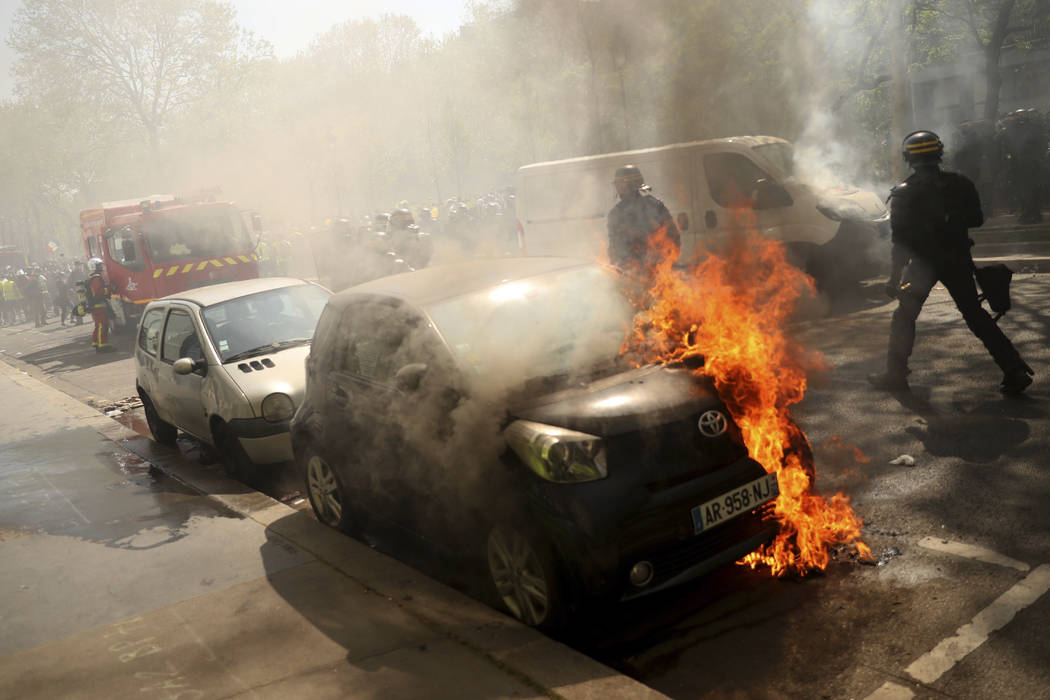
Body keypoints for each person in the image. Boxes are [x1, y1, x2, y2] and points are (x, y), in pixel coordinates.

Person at [868, 130, 1033, 395]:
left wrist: (893, 277)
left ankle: (895, 375)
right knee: (975, 315)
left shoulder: (903, 193)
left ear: (907, 157)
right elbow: (977, 219)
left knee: (904, 317)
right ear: (939, 153)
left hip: (921, 265)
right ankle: (1014, 369)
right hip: (957, 261)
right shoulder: (961, 184)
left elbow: (900, 243)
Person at [606, 164, 680, 273]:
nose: (618, 187)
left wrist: (663, 261)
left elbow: (673, 237)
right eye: (617, 184)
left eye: (621, 183)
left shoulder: (655, 206)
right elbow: (615, 248)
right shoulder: (616, 214)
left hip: (658, 271)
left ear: (633, 184)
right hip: (634, 273)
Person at [87, 258, 114, 353]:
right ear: (94, 266)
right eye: (99, 265)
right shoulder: (96, 278)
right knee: (102, 325)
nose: (101, 267)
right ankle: (102, 346)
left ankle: (96, 343)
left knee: (98, 325)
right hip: (98, 305)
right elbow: (99, 292)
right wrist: (110, 288)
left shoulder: (93, 277)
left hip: (96, 305)